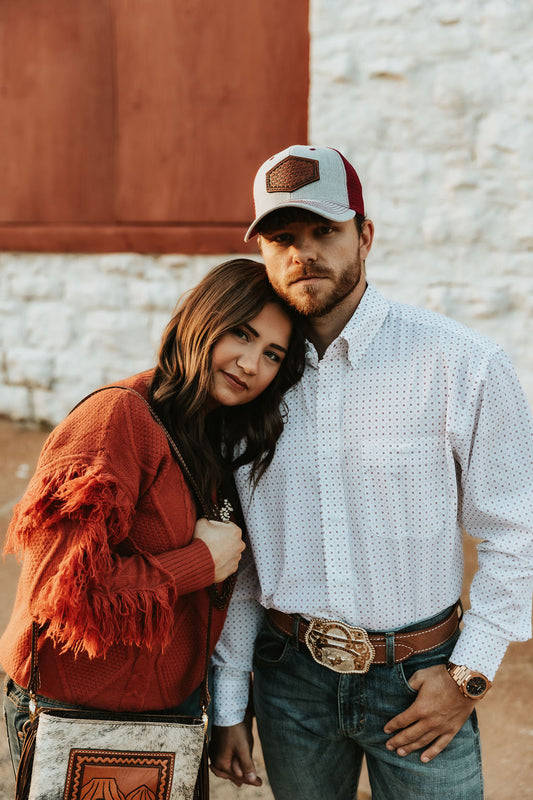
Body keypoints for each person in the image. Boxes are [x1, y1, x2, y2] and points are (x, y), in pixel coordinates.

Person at [209, 146, 533, 799]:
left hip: (419, 680)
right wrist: (227, 701)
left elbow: (516, 531)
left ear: (365, 235)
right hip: (288, 679)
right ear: (264, 254)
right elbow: (244, 565)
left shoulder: (461, 364)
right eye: (282, 239)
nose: (303, 253)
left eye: (323, 231)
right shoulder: (248, 382)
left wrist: (468, 674)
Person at [0, 257, 306, 777]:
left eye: (272, 354)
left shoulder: (217, 436)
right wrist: (198, 562)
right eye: (241, 334)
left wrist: (223, 710)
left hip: (174, 713)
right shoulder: (116, 419)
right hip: (80, 711)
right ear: (201, 321)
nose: (251, 364)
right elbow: (64, 593)